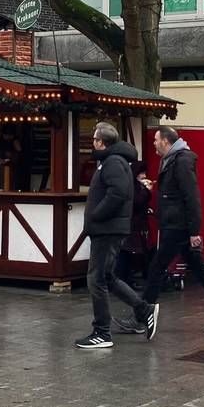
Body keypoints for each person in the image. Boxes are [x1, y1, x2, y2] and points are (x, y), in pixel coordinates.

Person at [120, 126, 204, 334]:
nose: (154, 143)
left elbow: (191, 196)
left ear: (166, 141)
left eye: (156, 140)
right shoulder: (172, 160)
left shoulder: (181, 161)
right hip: (176, 225)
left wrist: (194, 231)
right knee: (200, 269)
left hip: (178, 226)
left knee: (157, 267)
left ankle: (141, 317)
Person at [77, 122, 158, 350]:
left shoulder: (112, 162)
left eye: (94, 139)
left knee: (95, 279)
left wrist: (96, 215)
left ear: (101, 142)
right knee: (107, 277)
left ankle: (102, 332)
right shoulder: (114, 161)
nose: (93, 143)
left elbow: (118, 194)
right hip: (109, 228)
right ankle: (144, 310)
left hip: (107, 229)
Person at [114, 160, 153, 286]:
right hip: (131, 224)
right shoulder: (132, 187)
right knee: (127, 251)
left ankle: (126, 279)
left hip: (135, 224)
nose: (144, 176)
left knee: (130, 251)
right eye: (142, 173)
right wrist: (147, 191)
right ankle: (123, 280)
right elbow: (137, 202)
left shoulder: (134, 185)